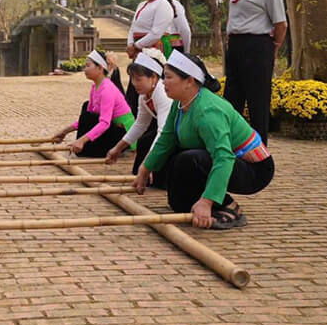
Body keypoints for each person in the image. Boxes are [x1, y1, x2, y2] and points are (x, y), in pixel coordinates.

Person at [135, 49, 273, 229]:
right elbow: (166, 140)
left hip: (253, 170)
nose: (163, 82)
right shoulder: (180, 103)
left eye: (168, 77)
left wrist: (207, 202)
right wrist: (145, 169)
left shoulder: (208, 111)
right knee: (179, 204)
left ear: (189, 81)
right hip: (220, 160)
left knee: (190, 159)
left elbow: (224, 158)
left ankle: (229, 207)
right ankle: (203, 201)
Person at [223, 0, 287, 145]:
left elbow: (281, 24)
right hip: (236, 46)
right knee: (232, 98)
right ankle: (231, 145)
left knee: (257, 100)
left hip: (257, 46)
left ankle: (259, 149)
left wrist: (275, 46)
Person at [52, 50, 134, 158]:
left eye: (88, 66)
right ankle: (83, 148)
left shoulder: (107, 90)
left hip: (123, 135)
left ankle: (85, 148)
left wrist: (82, 140)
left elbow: (104, 123)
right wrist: (64, 132)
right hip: (112, 129)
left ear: (100, 68)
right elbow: (86, 119)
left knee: (88, 115)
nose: (85, 69)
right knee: (86, 108)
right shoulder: (95, 87)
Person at [105, 49, 172, 181]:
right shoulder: (143, 96)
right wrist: (118, 148)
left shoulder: (162, 94)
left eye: (138, 79)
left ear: (154, 77)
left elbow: (163, 132)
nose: (134, 83)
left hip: (175, 132)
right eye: (132, 79)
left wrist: (147, 165)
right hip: (167, 132)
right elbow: (140, 124)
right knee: (144, 141)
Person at [124, 0, 181, 109]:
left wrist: (136, 46)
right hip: (139, 49)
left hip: (154, 48)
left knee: (153, 82)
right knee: (137, 81)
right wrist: (130, 44)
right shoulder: (141, 5)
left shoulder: (163, 5)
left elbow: (156, 33)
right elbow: (133, 27)